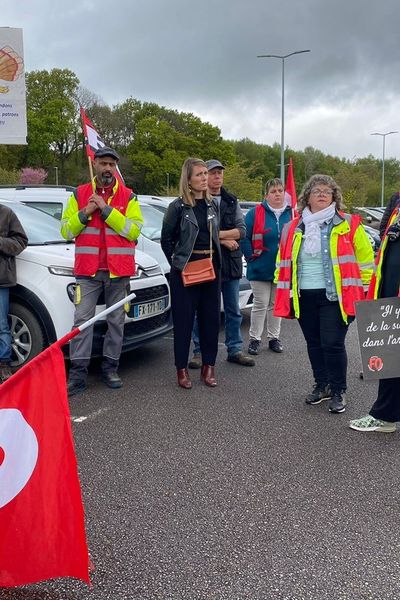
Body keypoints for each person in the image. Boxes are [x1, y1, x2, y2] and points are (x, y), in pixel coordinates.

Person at [274, 174, 374, 413]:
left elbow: (366, 259)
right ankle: (322, 385)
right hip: (303, 295)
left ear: (334, 197)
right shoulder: (292, 226)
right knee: (314, 344)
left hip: (336, 297)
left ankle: (338, 389)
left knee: (332, 343)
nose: (321, 194)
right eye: (316, 190)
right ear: (307, 195)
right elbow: (283, 260)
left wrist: (367, 291)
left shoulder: (349, 223)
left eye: (327, 191)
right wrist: (282, 289)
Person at [61, 146, 144, 396]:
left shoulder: (128, 197)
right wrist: (86, 211)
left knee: (116, 322)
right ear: (94, 164)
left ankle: (110, 368)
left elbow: (134, 231)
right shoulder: (79, 195)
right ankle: (77, 375)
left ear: (116, 167)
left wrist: (106, 211)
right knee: (82, 322)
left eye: (112, 164)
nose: (108, 168)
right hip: (87, 272)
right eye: (103, 163)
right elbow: (65, 231)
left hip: (118, 272)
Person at [161, 157, 221, 389]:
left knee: (211, 321)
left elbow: (215, 237)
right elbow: (166, 240)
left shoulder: (212, 204)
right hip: (185, 271)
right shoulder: (177, 207)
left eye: (206, 173)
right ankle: (181, 370)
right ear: (188, 179)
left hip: (211, 268)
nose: (205, 178)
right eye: (199, 174)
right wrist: (178, 264)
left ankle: (209, 367)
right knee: (184, 322)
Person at [188, 159, 255, 369]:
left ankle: (234, 349)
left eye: (219, 173)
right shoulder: (195, 201)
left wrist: (217, 236)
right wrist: (224, 239)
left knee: (234, 310)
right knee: (202, 310)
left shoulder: (231, 200)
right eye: (212, 173)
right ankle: (199, 351)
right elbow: (197, 232)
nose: (217, 176)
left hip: (230, 264)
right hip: (205, 262)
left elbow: (242, 231)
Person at [350, 201, 400, 432]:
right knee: (390, 358)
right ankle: (386, 415)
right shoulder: (398, 204)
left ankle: (385, 415)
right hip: (389, 296)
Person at [241, 178, 292, 356]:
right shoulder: (255, 213)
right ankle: (255, 339)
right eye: (273, 191)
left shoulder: (291, 213)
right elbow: (244, 236)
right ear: (266, 195)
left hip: (282, 268)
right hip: (259, 266)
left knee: (275, 304)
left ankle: (274, 338)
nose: (277, 194)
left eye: (280, 190)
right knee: (260, 303)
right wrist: (250, 256)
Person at [0, 204, 28, 382]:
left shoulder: (6, 213)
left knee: (1, 326)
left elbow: (21, 241)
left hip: (0, 280)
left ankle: (3, 364)